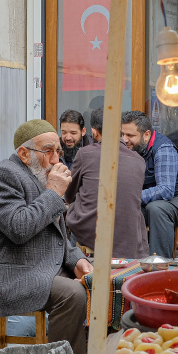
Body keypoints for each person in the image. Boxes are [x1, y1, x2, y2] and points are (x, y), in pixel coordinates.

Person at [0, 120, 92, 354]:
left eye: (58, 151)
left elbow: (54, 235)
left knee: (99, 283)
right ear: (24, 154)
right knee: (73, 294)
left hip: (39, 264)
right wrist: (54, 192)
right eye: (48, 151)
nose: (56, 159)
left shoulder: (39, 175)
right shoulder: (4, 176)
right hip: (9, 273)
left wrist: (77, 259)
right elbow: (20, 229)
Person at [66, 107, 148, 259]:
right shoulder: (139, 160)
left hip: (92, 232)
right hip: (129, 236)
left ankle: (75, 262)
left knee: (71, 208)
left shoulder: (84, 153)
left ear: (94, 132)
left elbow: (69, 195)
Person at [120, 111, 178, 257]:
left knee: (156, 208)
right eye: (122, 134)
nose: (124, 140)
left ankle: (159, 263)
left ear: (147, 134)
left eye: (130, 136)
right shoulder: (131, 149)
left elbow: (165, 190)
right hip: (149, 202)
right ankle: (130, 260)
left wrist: (132, 196)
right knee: (126, 208)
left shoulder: (164, 149)